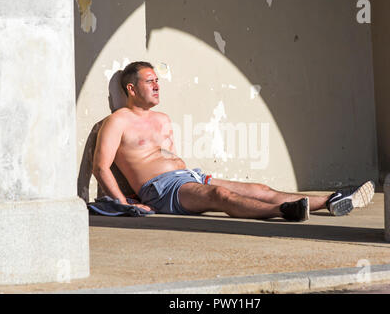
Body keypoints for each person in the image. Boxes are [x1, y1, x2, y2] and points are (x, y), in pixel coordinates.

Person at [92, 61, 375, 222]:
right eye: (150, 81)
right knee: (221, 197)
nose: (157, 86)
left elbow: (172, 158)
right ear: (131, 88)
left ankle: (330, 201)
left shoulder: (163, 119)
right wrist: (124, 203)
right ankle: (284, 211)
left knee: (258, 188)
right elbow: (101, 167)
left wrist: (197, 178)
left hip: (190, 178)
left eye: (157, 81)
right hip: (162, 189)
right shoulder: (117, 121)